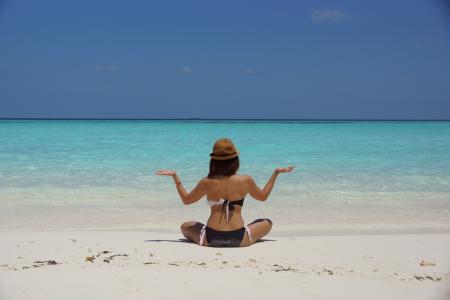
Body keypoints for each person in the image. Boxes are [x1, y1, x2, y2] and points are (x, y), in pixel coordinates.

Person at [155, 138, 294, 247]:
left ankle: (205, 239)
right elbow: (263, 197)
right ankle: (245, 238)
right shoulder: (245, 180)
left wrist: (175, 177)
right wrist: (275, 173)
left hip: (211, 238)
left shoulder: (206, 182)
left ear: (213, 161)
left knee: (185, 226)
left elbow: (186, 200)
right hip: (239, 238)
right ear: (235, 160)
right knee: (266, 222)